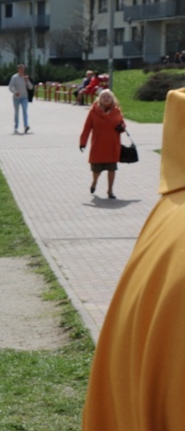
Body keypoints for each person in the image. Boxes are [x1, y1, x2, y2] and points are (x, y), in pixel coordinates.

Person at [81, 88, 185, 431]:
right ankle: (97, 183)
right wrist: (84, 140)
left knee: (111, 170)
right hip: (98, 149)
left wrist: (119, 124)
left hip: (111, 149)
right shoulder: (96, 111)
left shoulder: (166, 213)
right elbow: (86, 127)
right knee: (100, 168)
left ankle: (108, 188)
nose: (108, 102)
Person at [79, 89, 125, 199]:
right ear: (99, 99)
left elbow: (122, 124)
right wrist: (82, 142)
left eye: (108, 97)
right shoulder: (93, 112)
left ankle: (110, 191)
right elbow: (87, 128)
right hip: (98, 146)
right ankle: (94, 181)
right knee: (96, 170)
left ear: (112, 99)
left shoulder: (116, 111)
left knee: (112, 169)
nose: (106, 99)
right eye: (103, 97)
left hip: (112, 145)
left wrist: (122, 127)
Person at [8, 64, 33, 134]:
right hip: (16, 98)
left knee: (25, 111)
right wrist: (15, 92)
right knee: (16, 113)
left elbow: (31, 87)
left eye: (23, 69)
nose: (22, 70)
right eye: (21, 69)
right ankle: (16, 127)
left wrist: (27, 81)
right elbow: (10, 87)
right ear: (18, 70)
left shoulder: (26, 78)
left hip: (24, 97)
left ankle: (26, 126)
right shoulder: (14, 77)